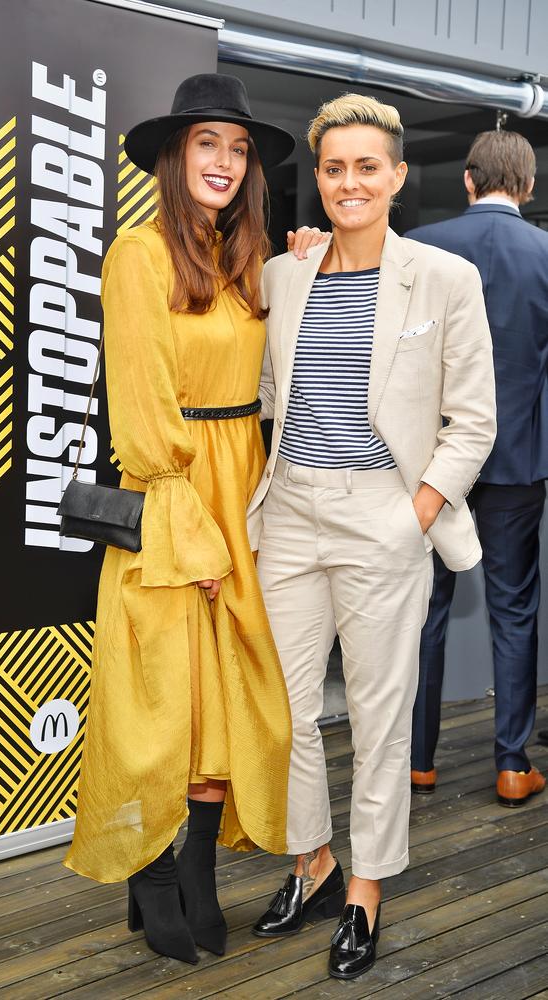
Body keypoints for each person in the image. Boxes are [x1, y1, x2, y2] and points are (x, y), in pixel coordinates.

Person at [64, 74, 320, 965]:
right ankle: (156, 872)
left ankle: (199, 865)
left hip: (244, 490)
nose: (223, 161)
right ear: (176, 157)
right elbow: (139, 410)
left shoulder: (244, 261)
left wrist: (310, 258)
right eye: (207, 143)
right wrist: (194, 529)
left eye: (238, 148)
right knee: (167, 706)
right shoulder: (139, 255)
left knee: (239, 710)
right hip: (178, 501)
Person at [247, 94, 496, 979]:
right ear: (316, 181)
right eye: (333, 168)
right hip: (289, 515)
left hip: (384, 516)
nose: (349, 182)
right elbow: (270, 401)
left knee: (384, 718)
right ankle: (313, 861)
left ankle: (367, 890)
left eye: (365, 166)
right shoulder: (285, 276)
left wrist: (416, 512)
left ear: (396, 176)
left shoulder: (441, 277)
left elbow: (472, 422)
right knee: (285, 709)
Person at [407, 131, 548, 808]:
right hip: (518, 463)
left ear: (467, 181)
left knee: (424, 607)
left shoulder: (420, 247)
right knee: (514, 609)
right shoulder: (547, 254)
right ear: (527, 186)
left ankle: (419, 760)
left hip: (431, 465)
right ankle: (513, 764)